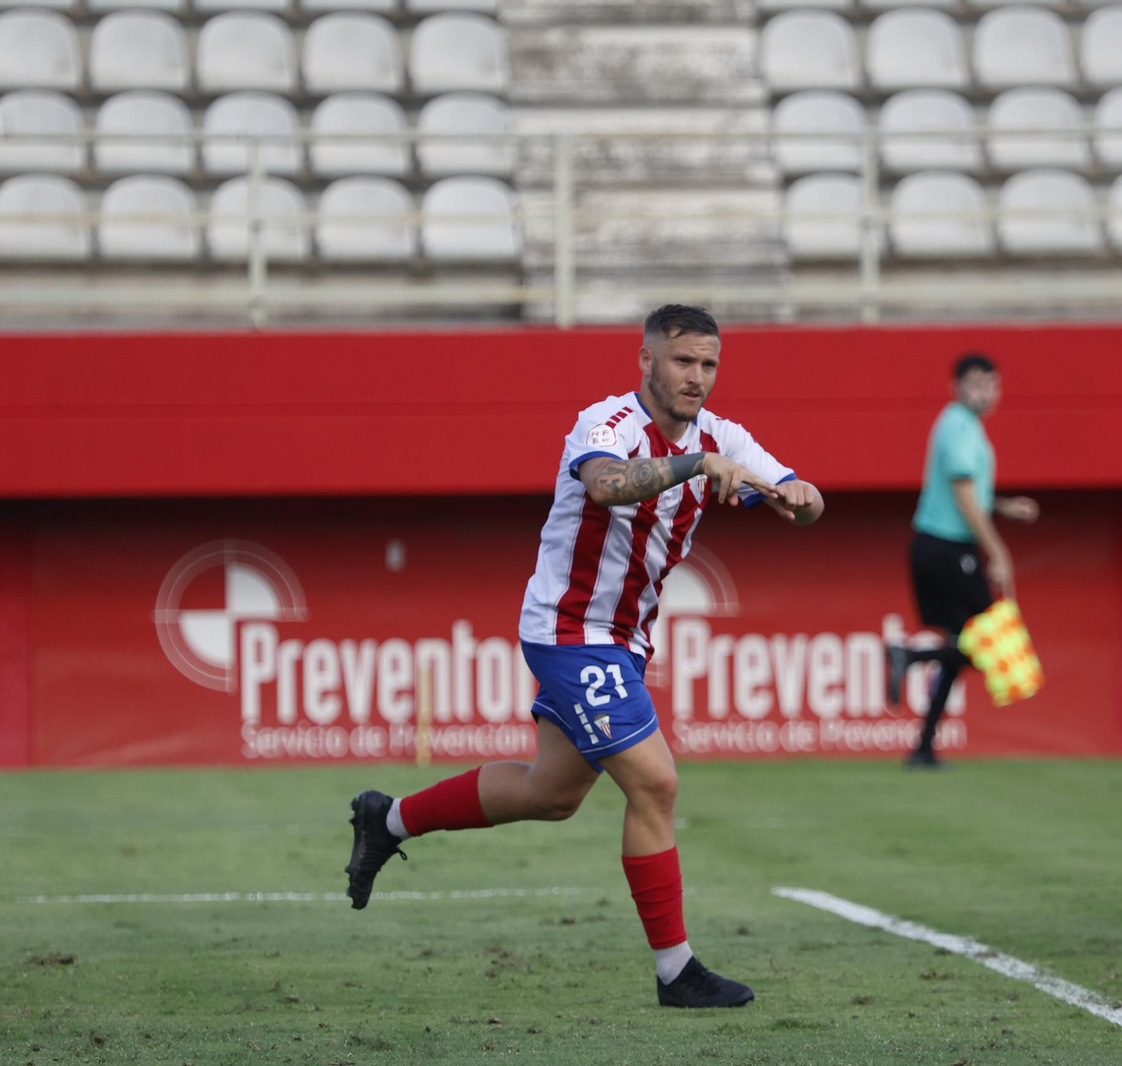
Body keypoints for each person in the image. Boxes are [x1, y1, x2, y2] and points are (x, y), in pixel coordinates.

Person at [343, 305, 824, 1008]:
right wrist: (697, 463)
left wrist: (799, 497)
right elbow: (606, 485)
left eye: (709, 365)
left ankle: (384, 820)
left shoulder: (726, 437)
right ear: (647, 361)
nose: (696, 378)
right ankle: (675, 971)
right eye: (683, 361)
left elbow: (801, 501)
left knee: (553, 793)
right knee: (655, 784)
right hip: (568, 630)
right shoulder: (606, 422)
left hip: (623, 642)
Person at [887, 352, 1039, 770]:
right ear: (955, 387)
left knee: (963, 644)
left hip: (944, 547)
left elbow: (972, 496)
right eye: (974, 381)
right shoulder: (956, 426)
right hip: (947, 549)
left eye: (990, 383)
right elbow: (964, 499)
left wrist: (1005, 507)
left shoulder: (966, 427)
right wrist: (1000, 552)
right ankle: (908, 657)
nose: (983, 390)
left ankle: (923, 748)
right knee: (997, 648)